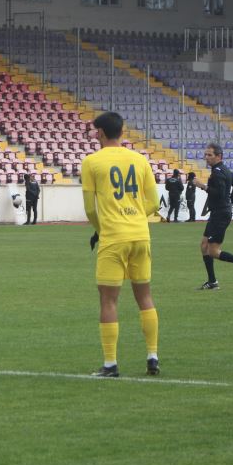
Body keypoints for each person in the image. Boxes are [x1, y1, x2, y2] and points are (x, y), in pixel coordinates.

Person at [81, 112, 160, 378]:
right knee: (145, 297)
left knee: (109, 300)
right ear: (122, 132)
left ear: (101, 133)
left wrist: (102, 229)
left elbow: (90, 209)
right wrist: (135, 215)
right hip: (140, 234)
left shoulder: (91, 162)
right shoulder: (140, 160)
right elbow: (154, 202)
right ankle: (152, 355)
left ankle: (110, 364)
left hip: (113, 237)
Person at [193, 142, 233, 290]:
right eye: (205, 154)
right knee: (204, 245)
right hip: (218, 212)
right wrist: (230, 201)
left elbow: (218, 193)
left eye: (209, 155)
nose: (206, 157)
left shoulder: (218, 172)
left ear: (219, 156)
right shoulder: (224, 169)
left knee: (212, 251)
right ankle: (212, 282)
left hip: (220, 214)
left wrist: (202, 186)